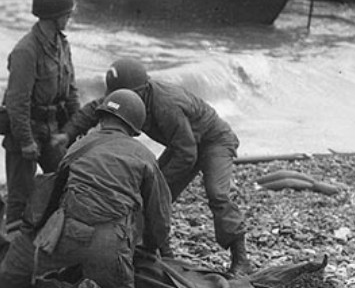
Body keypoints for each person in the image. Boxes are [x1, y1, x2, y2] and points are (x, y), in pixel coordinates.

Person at [63, 57, 250, 276]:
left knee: (217, 194)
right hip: (182, 142)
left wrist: (159, 187)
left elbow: (187, 154)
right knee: (152, 196)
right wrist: (66, 134)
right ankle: (161, 252)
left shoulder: (166, 105)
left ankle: (241, 258)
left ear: (142, 91)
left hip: (213, 141)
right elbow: (97, 109)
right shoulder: (129, 96)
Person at [39, 90, 172, 288]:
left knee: (60, 273)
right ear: (134, 125)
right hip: (107, 243)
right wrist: (154, 249)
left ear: (101, 117)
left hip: (66, 238)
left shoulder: (77, 147)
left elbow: (52, 196)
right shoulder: (144, 156)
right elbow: (159, 215)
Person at [0, 0, 80, 231]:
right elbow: (16, 101)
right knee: (19, 200)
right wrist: (25, 141)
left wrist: (76, 128)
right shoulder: (26, 51)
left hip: (53, 128)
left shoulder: (62, 44)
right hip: (27, 130)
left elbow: (71, 90)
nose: (69, 18)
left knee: (65, 184)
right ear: (53, 17)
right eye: (66, 14)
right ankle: (10, 248)